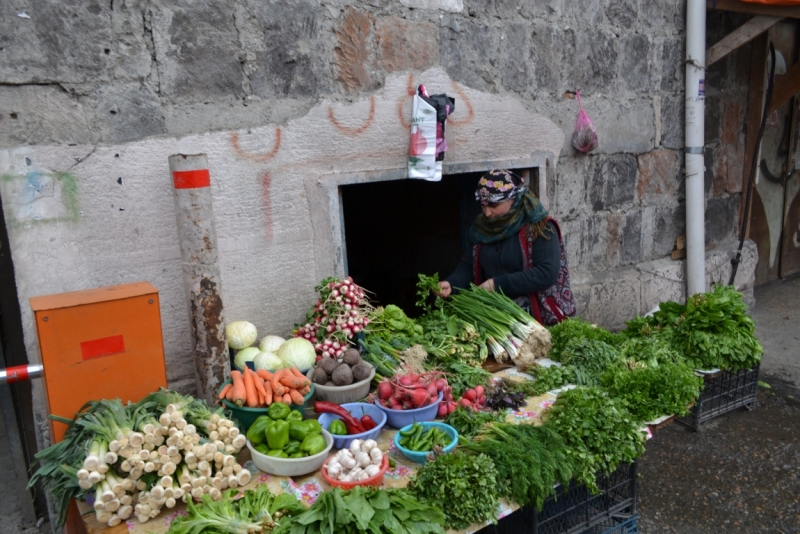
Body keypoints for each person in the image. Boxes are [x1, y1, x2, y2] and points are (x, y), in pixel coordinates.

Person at [437, 169, 574, 325]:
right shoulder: (482, 229)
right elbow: (469, 266)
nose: (487, 213)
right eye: (483, 205)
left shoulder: (540, 227)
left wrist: (497, 284)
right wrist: (451, 284)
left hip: (536, 319)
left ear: (511, 199)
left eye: (493, 205)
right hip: (496, 318)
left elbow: (546, 272)